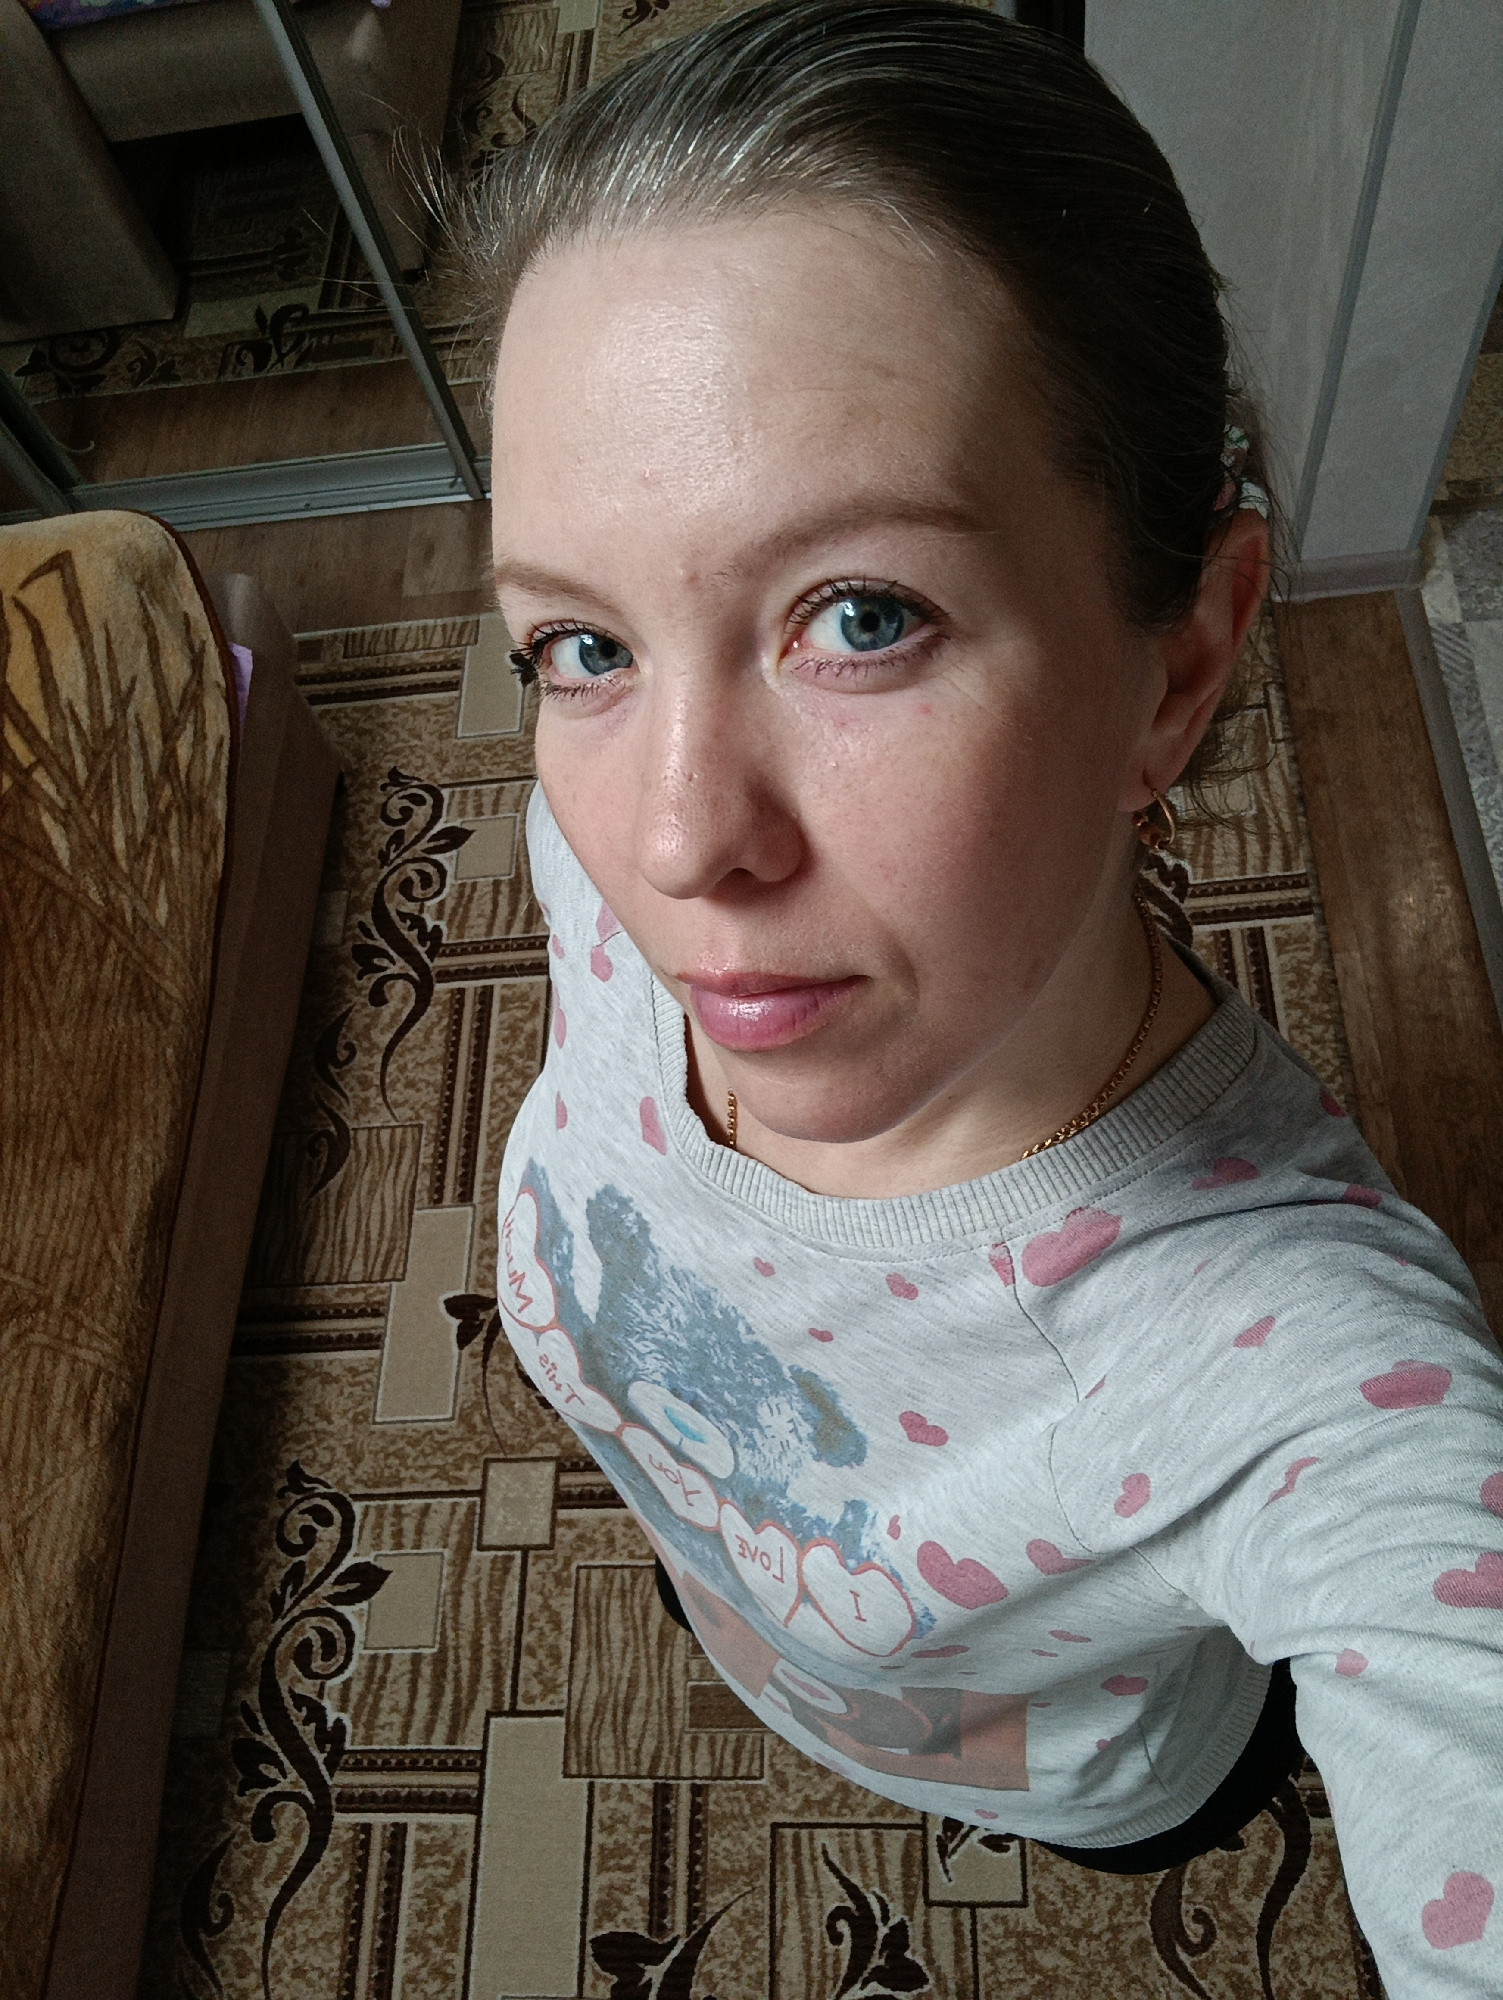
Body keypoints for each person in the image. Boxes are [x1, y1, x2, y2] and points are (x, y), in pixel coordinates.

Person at [474, 3, 1503, 1988]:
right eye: (582, 646)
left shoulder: (1302, 1370)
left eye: (859, 616)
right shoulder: (596, 862)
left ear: (1177, 667)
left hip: (1091, 1775)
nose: (675, 844)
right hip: (745, 1620)